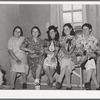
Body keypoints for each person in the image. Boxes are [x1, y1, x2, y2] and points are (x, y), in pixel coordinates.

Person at [80, 23, 100, 90]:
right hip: (81, 59)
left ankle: (88, 82)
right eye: (83, 29)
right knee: (91, 62)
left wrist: (94, 54)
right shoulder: (79, 39)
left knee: (90, 61)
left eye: (86, 29)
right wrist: (85, 54)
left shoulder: (94, 39)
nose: (85, 31)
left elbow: (97, 51)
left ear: (90, 30)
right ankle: (91, 83)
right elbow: (77, 50)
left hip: (90, 58)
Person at [56, 23, 76, 90]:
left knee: (67, 61)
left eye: (67, 29)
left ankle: (60, 80)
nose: (65, 30)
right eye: (64, 29)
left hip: (72, 55)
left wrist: (69, 54)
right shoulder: (62, 38)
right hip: (62, 55)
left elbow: (73, 47)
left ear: (70, 29)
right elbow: (62, 47)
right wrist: (66, 54)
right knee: (66, 60)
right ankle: (69, 85)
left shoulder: (75, 37)